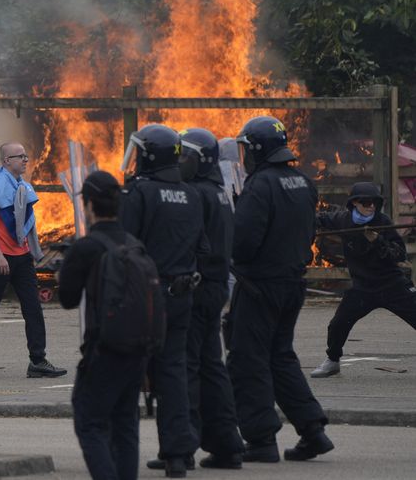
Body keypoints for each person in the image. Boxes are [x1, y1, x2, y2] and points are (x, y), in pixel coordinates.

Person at [227, 115, 332, 463]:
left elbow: (242, 244)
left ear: (256, 151)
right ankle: (312, 431)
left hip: (259, 288)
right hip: (292, 285)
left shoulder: (259, 186)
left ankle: (260, 439)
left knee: (248, 360)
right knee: (280, 357)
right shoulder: (302, 182)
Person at [119, 124, 207, 478]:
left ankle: (116, 453)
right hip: (183, 294)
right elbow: (203, 247)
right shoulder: (192, 194)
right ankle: (178, 454)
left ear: (150, 155)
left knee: (128, 371)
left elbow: (125, 245)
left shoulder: (138, 194)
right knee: (174, 373)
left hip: (145, 297)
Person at [59, 170, 149, 480]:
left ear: (88, 204)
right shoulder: (134, 242)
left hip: (104, 347)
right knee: (126, 425)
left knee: (90, 422)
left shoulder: (87, 246)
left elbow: (67, 298)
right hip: (138, 349)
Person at [0, 142, 66, 379]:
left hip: (22, 258)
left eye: (26, 156)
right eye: (20, 157)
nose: (26, 160)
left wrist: (31, 251)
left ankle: (37, 360)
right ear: (7, 161)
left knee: (33, 308)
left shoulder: (22, 187)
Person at [175, 128, 244, 469]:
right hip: (216, 285)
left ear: (199, 159)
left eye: (184, 156)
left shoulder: (196, 194)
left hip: (198, 287)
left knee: (185, 366)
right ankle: (227, 445)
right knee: (211, 365)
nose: (179, 162)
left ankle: (182, 447)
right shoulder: (217, 191)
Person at [311, 182, 411, 378]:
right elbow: (320, 220)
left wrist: (378, 241)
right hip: (363, 288)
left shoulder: (383, 222)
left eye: (374, 202)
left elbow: (399, 255)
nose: (371, 206)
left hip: (393, 286)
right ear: (354, 203)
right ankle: (332, 361)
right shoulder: (343, 220)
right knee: (338, 324)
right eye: (366, 202)